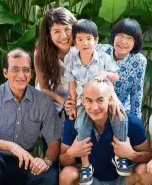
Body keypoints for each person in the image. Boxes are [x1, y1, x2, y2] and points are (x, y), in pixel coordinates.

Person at [0, 49, 62, 185]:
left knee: (49, 176)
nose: (21, 75)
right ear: (5, 73)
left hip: (23, 163)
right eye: (15, 69)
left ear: (31, 74)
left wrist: (45, 161)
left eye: (26, 70)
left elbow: (54, 142)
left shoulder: (43, 101)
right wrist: (9, 146)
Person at [63, 19, 130, 185]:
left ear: (96, 40)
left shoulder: (104, 58)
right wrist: (71, 104)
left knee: (120, 118)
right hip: (83, 105)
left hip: (105, 102)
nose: (85, 43)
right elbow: (72, 85)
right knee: (82, 129)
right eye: (80, 39)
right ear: (74, 41)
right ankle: (86, 166)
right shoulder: (71, 61)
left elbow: (116, 76)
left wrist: (105, 74)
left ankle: (120, 157)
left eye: (88, 39)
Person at [59, 77, 152, 185]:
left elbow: (149, 156)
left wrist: (131, 154)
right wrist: (72, 153)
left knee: (145, 171)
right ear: (83, 101)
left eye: (100, 100)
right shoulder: (73, 123)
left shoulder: (130, 122)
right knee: (67, 174)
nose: (94, 107)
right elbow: (62, 160)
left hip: (125, 179)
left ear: (110, 99)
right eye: (89, 100)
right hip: (90, 180)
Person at [96, 18, 147, 118]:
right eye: (120, 35)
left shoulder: (139, 61)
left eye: (129, 38)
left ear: (135, 42)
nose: (123, 41)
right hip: (97, 106)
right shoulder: (99, 50)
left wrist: (135, 119)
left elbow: (137, 91)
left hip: (122, 108)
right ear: (114, 36)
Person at [34, 7, 77, 114]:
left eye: (67, 29)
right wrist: (61, 100)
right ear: (49, 35)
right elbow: (44, 88)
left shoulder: (82, 48)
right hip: (50, 95)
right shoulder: (40, 53)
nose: (63, 36)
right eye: (56, 31)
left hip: (76, 95)